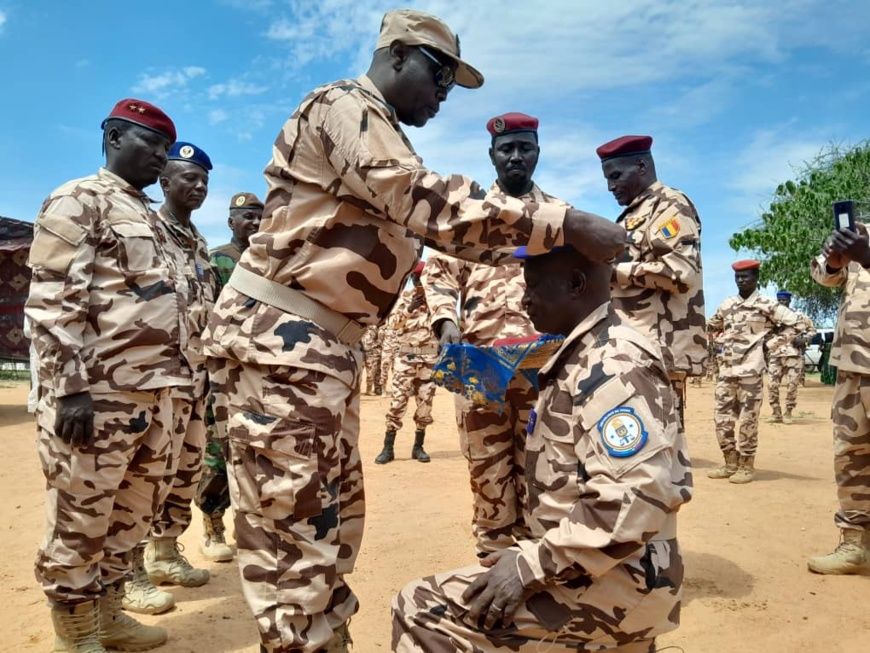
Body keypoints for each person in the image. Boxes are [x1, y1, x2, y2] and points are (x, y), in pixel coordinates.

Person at [200, 9, 625, 652]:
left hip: (319, 354)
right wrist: (563, 224)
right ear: (397, 55)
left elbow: (449, 229)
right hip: (282, 347)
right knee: (295, 544)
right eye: (439, 74)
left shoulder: (385, 131)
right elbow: (421, 200)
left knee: (329, 531)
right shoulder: (344, 106)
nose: (444, 92)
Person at [392, 244, 692, 652]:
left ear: (575, 284)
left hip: (619, 580)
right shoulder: (582, 352)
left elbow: (636, 496)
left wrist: (532, 564)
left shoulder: (615, 362)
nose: (523, 298)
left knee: (418, 607)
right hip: (594, 567)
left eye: (532, 286)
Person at [26, 98, 180, 652]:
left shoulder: (149, 217)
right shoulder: (79, 199)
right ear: (114, 137)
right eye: (152, 145)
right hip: (96, 396)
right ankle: (76, 633)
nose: (162, 158)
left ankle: (109, 614)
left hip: (154, 397)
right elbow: (51, 303)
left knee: (131, 517)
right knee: (81, 520)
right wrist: (69, 389)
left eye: (167, 149)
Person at [424, 111, 568, 555]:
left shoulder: (558, 218)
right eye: (507, 149)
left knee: (542, 459)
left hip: (541, 364)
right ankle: (493, 554)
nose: (516, 156)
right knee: (485, 463)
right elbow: (439, 275)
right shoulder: (469, 219)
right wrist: (446, 321)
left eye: (525, 148)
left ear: (538, 153)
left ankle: (538, 557)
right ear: (492, 155)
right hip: (480, 362)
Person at [122, 141, 216, 615]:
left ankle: (164, 554)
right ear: (165, 182)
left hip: (195, 381)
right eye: (188, 178)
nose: (198, 187)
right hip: (152, 380)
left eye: (203, 181)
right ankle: (130, 571)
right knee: (144, 477)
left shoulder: (197, 242)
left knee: (183, 473)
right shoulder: (146, 230)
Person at [597, 135, 706, 433]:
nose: (610, 187)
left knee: (660, 446)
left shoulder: (669, 205)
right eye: (607, 179)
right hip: (636, 347)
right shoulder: (635, 213)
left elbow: (681, 272)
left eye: (616, 176)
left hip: (658, 350)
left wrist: (614, 272)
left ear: (642, 165)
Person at [196, 192, 263, 564]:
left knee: (254, 453)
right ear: (231, 221)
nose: (254, 223)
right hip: (222, 372)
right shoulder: (218, 259)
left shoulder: (269, 262)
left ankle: (248, 528)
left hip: (258, 374)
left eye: (260, 218)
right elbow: (207, 315)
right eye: (247, 217)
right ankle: (212, 524)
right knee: (218, 453)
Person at [706, 260, 805, 484]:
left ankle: (747, 465)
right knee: (721, 419)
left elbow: (797, 324)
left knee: (748, 419)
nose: (741, 280)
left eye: (746, 276)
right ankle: (730, 461)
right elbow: (711, 326)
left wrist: (770, 345)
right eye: (738, 277)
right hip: (727, 370)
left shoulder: (767, 304)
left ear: (756, 278)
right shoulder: (727, 304)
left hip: (751, 371)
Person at [807, 223, 870, 574]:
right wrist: (834, 260)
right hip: (852, 364)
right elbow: (822, 276)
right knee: (851, 458)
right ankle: (854, 546)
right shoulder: (863, 233)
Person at [375, 260, 436, 463]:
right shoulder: (403, 299)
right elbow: (392, 325)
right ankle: (388, 448)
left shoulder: (437, 301)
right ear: (411, 279)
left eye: (422, 278)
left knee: (425, 405)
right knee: (398, 402)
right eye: (416, 278)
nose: (419, 282)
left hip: (428, 360)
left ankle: (418, 447)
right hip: (406, 358)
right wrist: (409, 308)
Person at [766, 290, 816, 424]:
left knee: (792, 385)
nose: (782, 303)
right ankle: (776, 412)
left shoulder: (799, 316)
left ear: (789, 301)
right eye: (780, 301)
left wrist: (804, 340)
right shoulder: (772, 318)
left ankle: (788, 412)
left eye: (785, 300)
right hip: (776, 355)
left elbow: (812, 330)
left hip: (794, 355)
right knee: (772, 385)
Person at [361, 325, 383, 395]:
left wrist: (374, 347)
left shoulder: (375, 327)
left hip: (372, 352)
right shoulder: (361, 325)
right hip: (361, 351)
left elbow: (380, 340)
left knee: (372, 371)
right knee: (360, 372)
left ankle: (370, 390)